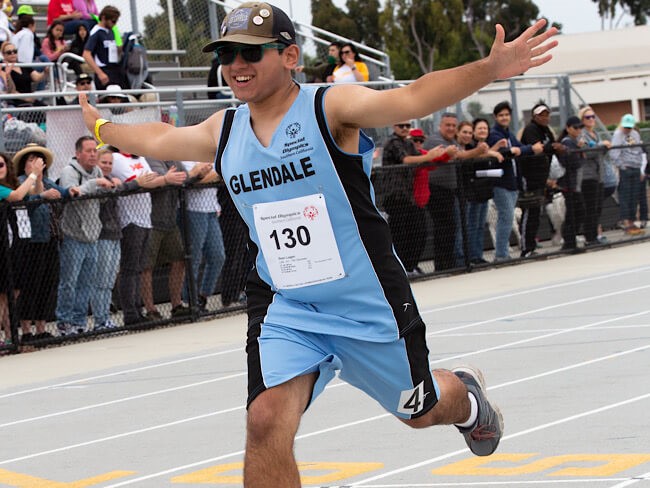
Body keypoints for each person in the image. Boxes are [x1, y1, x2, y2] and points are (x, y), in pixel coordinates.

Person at [79, 3, 557, 484]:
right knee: (265, 422)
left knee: (421, 410)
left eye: (250, 53)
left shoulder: (329, 107)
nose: (236, 66)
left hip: (366, 303)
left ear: (290, 56)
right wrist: (103, 127)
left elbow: (411, 97)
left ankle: (470, 401)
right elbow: (160, 137)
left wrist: (492, 68)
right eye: (227, 54)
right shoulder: (223, 129)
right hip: (288, 304)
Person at [12, 144, 79, 344]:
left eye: (38, 160)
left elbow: (61, 192)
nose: (35, 164)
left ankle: (41, 327)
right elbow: (24, 201)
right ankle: (26, 330)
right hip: (29, 242)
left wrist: (71, 190)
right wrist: (41, 195)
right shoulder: (21, 182)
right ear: (24, 165)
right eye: (30, 160)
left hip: (49, 239)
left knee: (46, 283)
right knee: (29, 285)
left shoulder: (48, 181)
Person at [56, 136, 117, 335]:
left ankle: (80, 321)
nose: (93, 155)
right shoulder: (69, 171)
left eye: (94, 151)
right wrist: (95, 184)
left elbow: (99, 201)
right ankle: (64, 322)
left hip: (92, 235)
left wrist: (109, 187)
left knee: (86, 283)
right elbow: (73, 194)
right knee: (69, 282)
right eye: (89, 151)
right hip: (73, 235)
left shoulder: (97, 171)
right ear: (78, 153)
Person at [382, 121, 444, 276]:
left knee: (418, 232)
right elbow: (406, 159)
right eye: (400, 125)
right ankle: (401, 269)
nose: (404, 129)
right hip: (395, 196)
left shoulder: (408, 143)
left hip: (408, 197)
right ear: (394, 126)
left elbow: (423, 160)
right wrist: (429, 156)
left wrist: (441, 155)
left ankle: (409, 267)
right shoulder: (392, 142)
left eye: (407, 126)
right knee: (400, 235)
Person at [487, 101, 542, 262]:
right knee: (506, 217)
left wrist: (523, 150)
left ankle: (502, 252)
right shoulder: (495, 134)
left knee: (507, 217)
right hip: (501, 183)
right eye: (501, 115)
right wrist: (526, 149)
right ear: (496, 117)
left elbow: (519, 149)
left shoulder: (508, 133)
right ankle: (501, 254)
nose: (504, 118)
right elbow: (509, 152)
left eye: (506, 115)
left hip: (512, 183)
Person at [0, 150, 45, 343]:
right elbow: (17, 196)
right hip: (3, 247)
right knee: (2, 296)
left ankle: (11, 337)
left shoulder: (13, 184)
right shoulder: (4, 190)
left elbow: (35, 193)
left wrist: (38, 176)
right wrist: (32, 175)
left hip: (18, 246)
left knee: (14, 293)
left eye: (1, 165)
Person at [519, 103, 565, 257]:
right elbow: (537, 148)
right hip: (530, 177)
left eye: (547, 115)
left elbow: (550, 146)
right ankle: (526, 248)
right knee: (530, 212)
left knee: (536, 213)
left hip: (541, 178)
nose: (545, 118)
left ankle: (531, 246)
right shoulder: (531, 129)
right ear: (534, 116)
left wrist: (554, 147)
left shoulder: (546, 131)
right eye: (541, 115)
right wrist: (552, 147)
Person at [180, 160, 224, 312]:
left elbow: (215, 176)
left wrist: (209, 174)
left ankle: (203, 295)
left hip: (212, 209)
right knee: (194, 257)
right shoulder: (185, 161)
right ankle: (189, 298)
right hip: (194, 211)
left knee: (218, 256)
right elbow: (197, 182)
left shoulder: (208, 158)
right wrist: (216, 173)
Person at [578, 106, 612, 246]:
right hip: (587, 175)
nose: (591, 119)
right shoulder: (582, 134)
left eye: (593, 117)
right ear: (582, 120)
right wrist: (601, 145)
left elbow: (599, 154)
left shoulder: (596, 134)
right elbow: (587, 153)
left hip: (599, 175)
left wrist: (603, 148)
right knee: (590, 208)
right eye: (588, 117)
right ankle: (589, 238)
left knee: (598, 207)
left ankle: (596, 235)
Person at [610, 113, 645, 236]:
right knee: (625, 195)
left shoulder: (635, 134)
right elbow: (614, 153)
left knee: (634, 196)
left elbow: (639, 150)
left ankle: (632, 220)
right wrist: (621, 166)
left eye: (630, 127)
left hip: (636, 167)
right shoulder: (618, 135)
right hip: (625, 168)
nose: (627, 129)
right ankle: (626, 222)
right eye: (626, 127)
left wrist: (641, 168)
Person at [557, 116, 587, 252]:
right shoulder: (568, 142)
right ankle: (569, 242)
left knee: (577, 212)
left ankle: (570, 240)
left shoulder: (573, 142)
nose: (578, 130)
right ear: (568, 128)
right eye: (576, 128)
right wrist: (579, 151)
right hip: (568, 183)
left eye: (580, 127)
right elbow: (572, 162)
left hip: (574, 183)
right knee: (575, 212)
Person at [82, 5, 124, 90]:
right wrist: (100, 73)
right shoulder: (96, 32)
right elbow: (86, 54)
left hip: (114, 68)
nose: (114, 24)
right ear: (104, 18)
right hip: (104, 70)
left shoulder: (111, 31)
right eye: (113, 21)